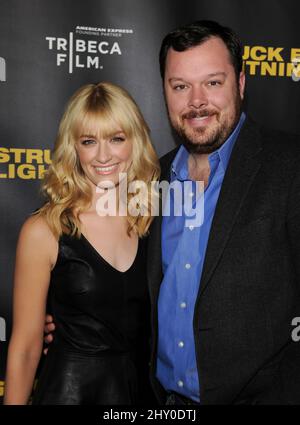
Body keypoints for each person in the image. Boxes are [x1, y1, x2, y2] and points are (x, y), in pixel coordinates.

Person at [45, 20, 300, 405]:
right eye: (181, 86)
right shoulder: (145, 182)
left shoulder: (289, 166)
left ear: (241, 84)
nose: (196, 101)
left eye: (213, 83)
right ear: (165, 90)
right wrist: (73, 322)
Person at [4, 81, 160, 405]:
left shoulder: (153, 224)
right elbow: (25, 349)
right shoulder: (45, 230)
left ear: (136, 142)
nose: (103, 155)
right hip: (68, 394)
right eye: (89, 141)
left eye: (116, 138)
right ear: (74, 148)